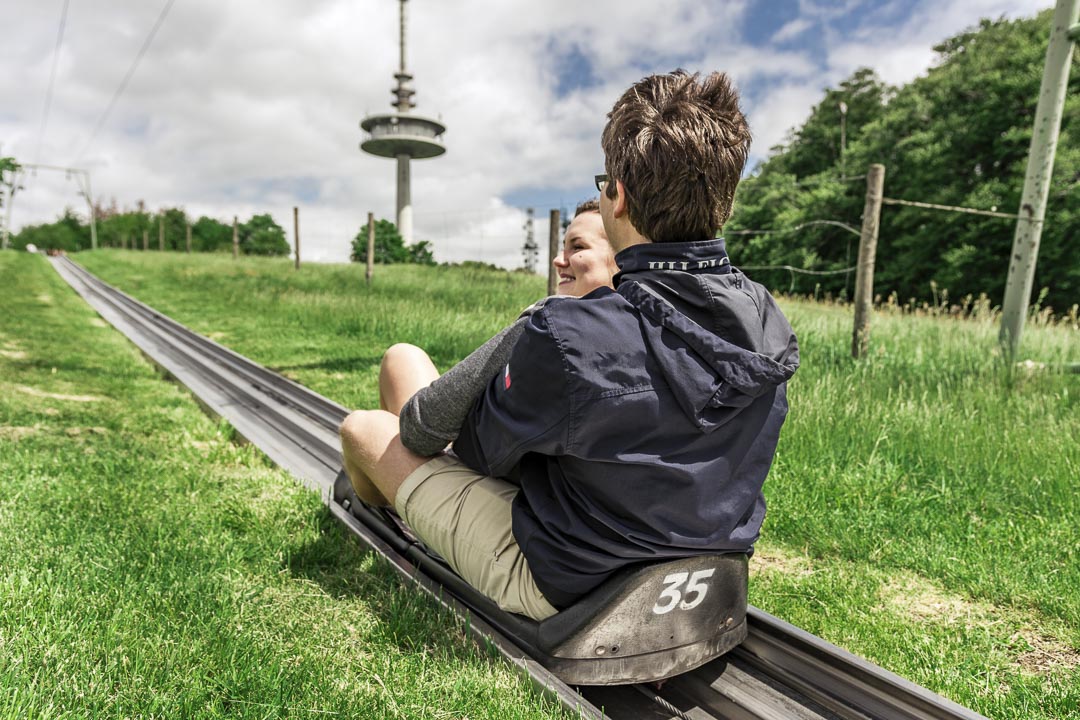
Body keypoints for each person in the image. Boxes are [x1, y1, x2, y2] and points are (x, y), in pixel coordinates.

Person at [340, 70, 799, 622]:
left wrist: (537, 323)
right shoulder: (766, 317)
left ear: (619, 197)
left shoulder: (570, 335)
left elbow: (464, 450)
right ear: (722, 201)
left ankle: (383, 505)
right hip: (708, 564)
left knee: (365, 430)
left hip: (570, 581)